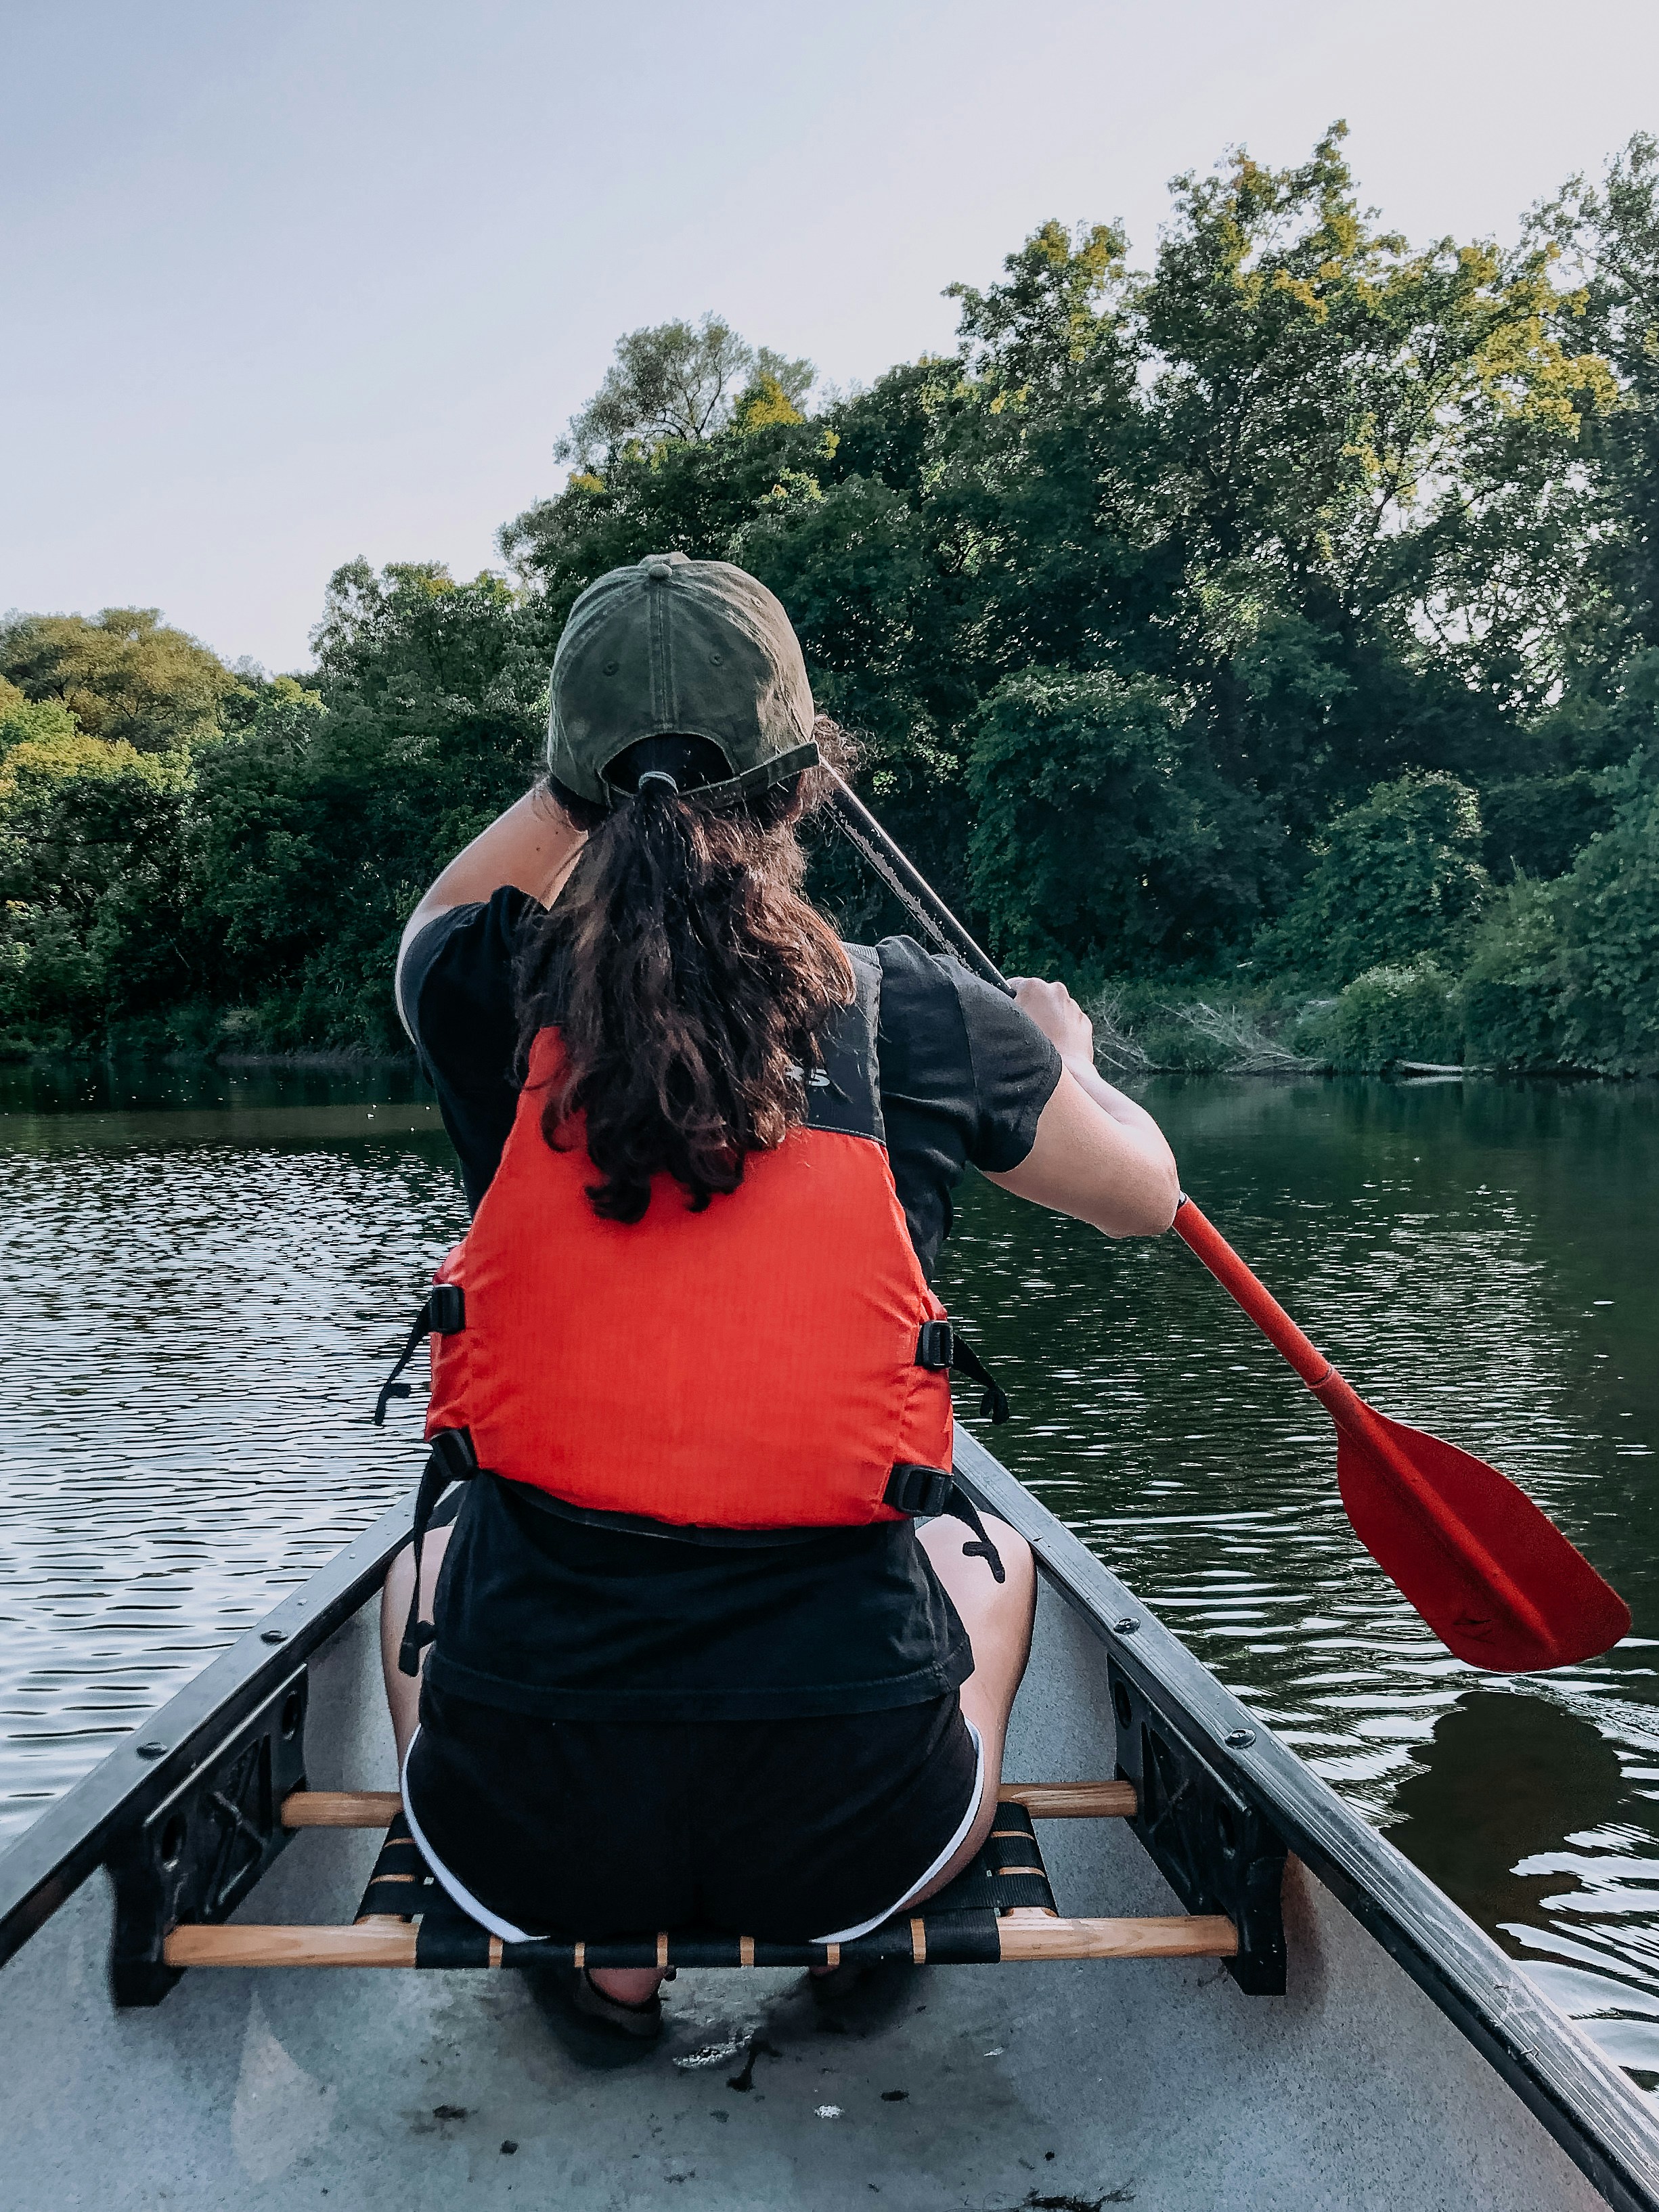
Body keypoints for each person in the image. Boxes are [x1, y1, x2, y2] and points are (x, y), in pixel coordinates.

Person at [380, 550, 1178, 2037]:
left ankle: (607, 1963)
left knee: (420, 1568)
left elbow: (435, 914)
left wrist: (576, 786)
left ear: (567, 788)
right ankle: (856, 1933)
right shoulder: (923, 1021)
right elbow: (1146, 1193)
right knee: (992, 1563)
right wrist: (1064, 1056)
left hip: (530, 1834)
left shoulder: (480, 994)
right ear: (801, 783)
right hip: (848, 1831)